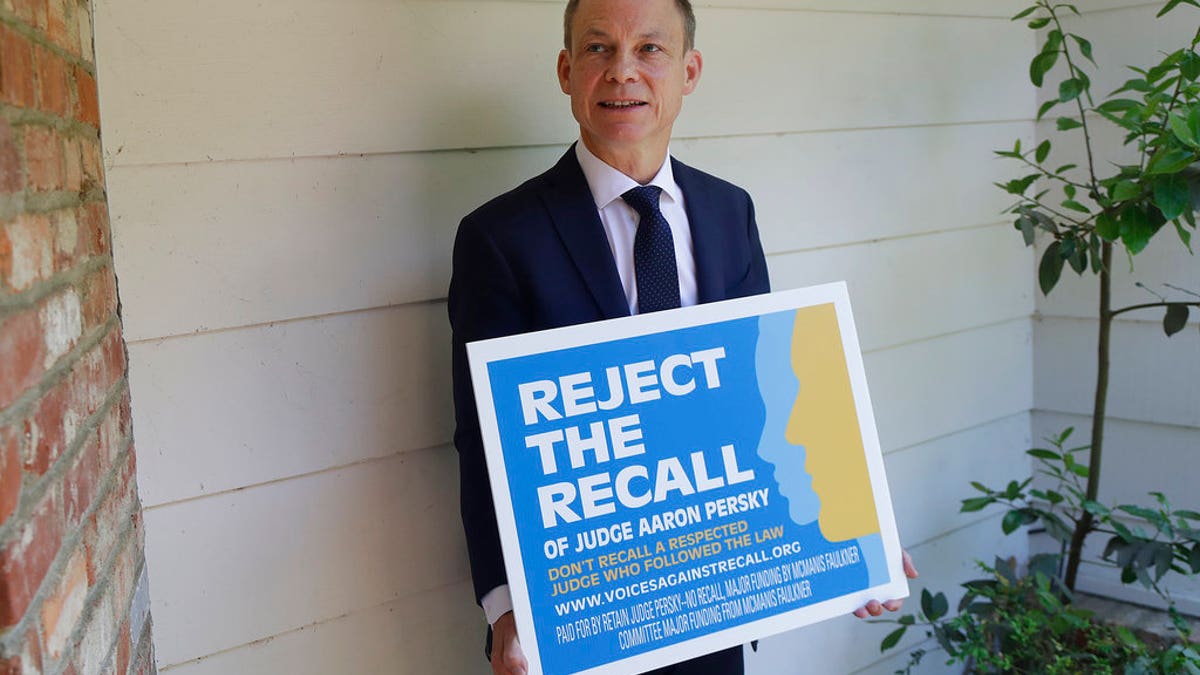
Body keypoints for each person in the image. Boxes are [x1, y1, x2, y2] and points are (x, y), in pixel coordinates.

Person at [448, 1, 916, 673]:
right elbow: (480, 435)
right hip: (583, 614)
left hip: (717, 606)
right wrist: (505, 606)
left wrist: (852, 534)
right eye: (599, 49)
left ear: (689, 71)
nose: (622, 73)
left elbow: (769, 392)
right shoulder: (500, 237)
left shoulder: (730, 210)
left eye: (650, 50)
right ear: (565, 69)